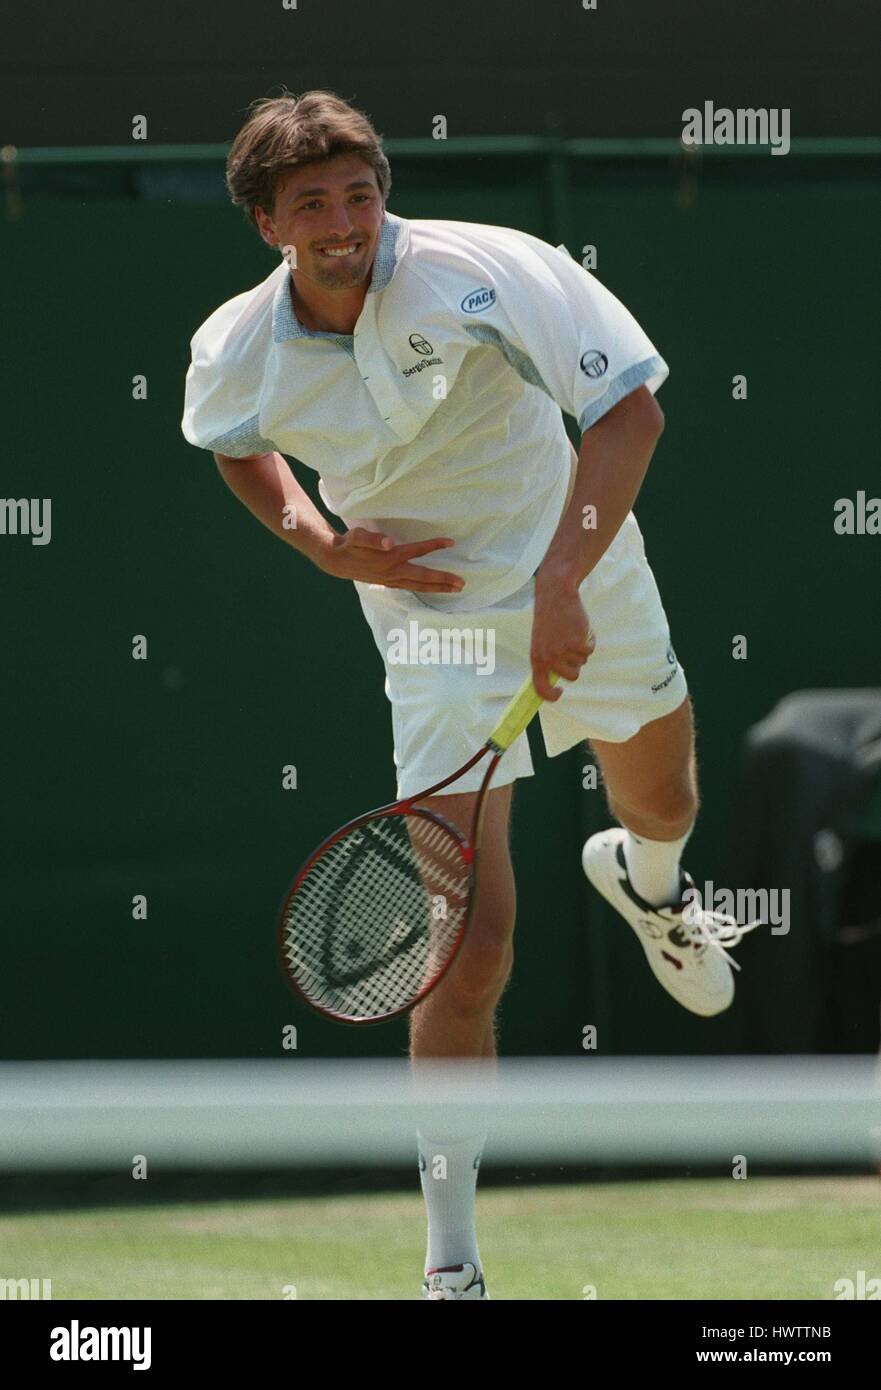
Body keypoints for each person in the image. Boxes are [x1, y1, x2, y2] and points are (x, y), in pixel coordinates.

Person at [181, 88, 756, 1301]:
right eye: (310, 205)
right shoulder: (235, 343)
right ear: (265, 224)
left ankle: (651, 887)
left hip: (583, 567)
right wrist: (311, 535)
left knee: (661, 799)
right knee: (465, 946)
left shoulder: (491, 271)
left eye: (358, 193)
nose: (344, 221)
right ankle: (451, 1259)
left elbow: (628, 409)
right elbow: (233, 441)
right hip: (431, 630)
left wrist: (559, 578)